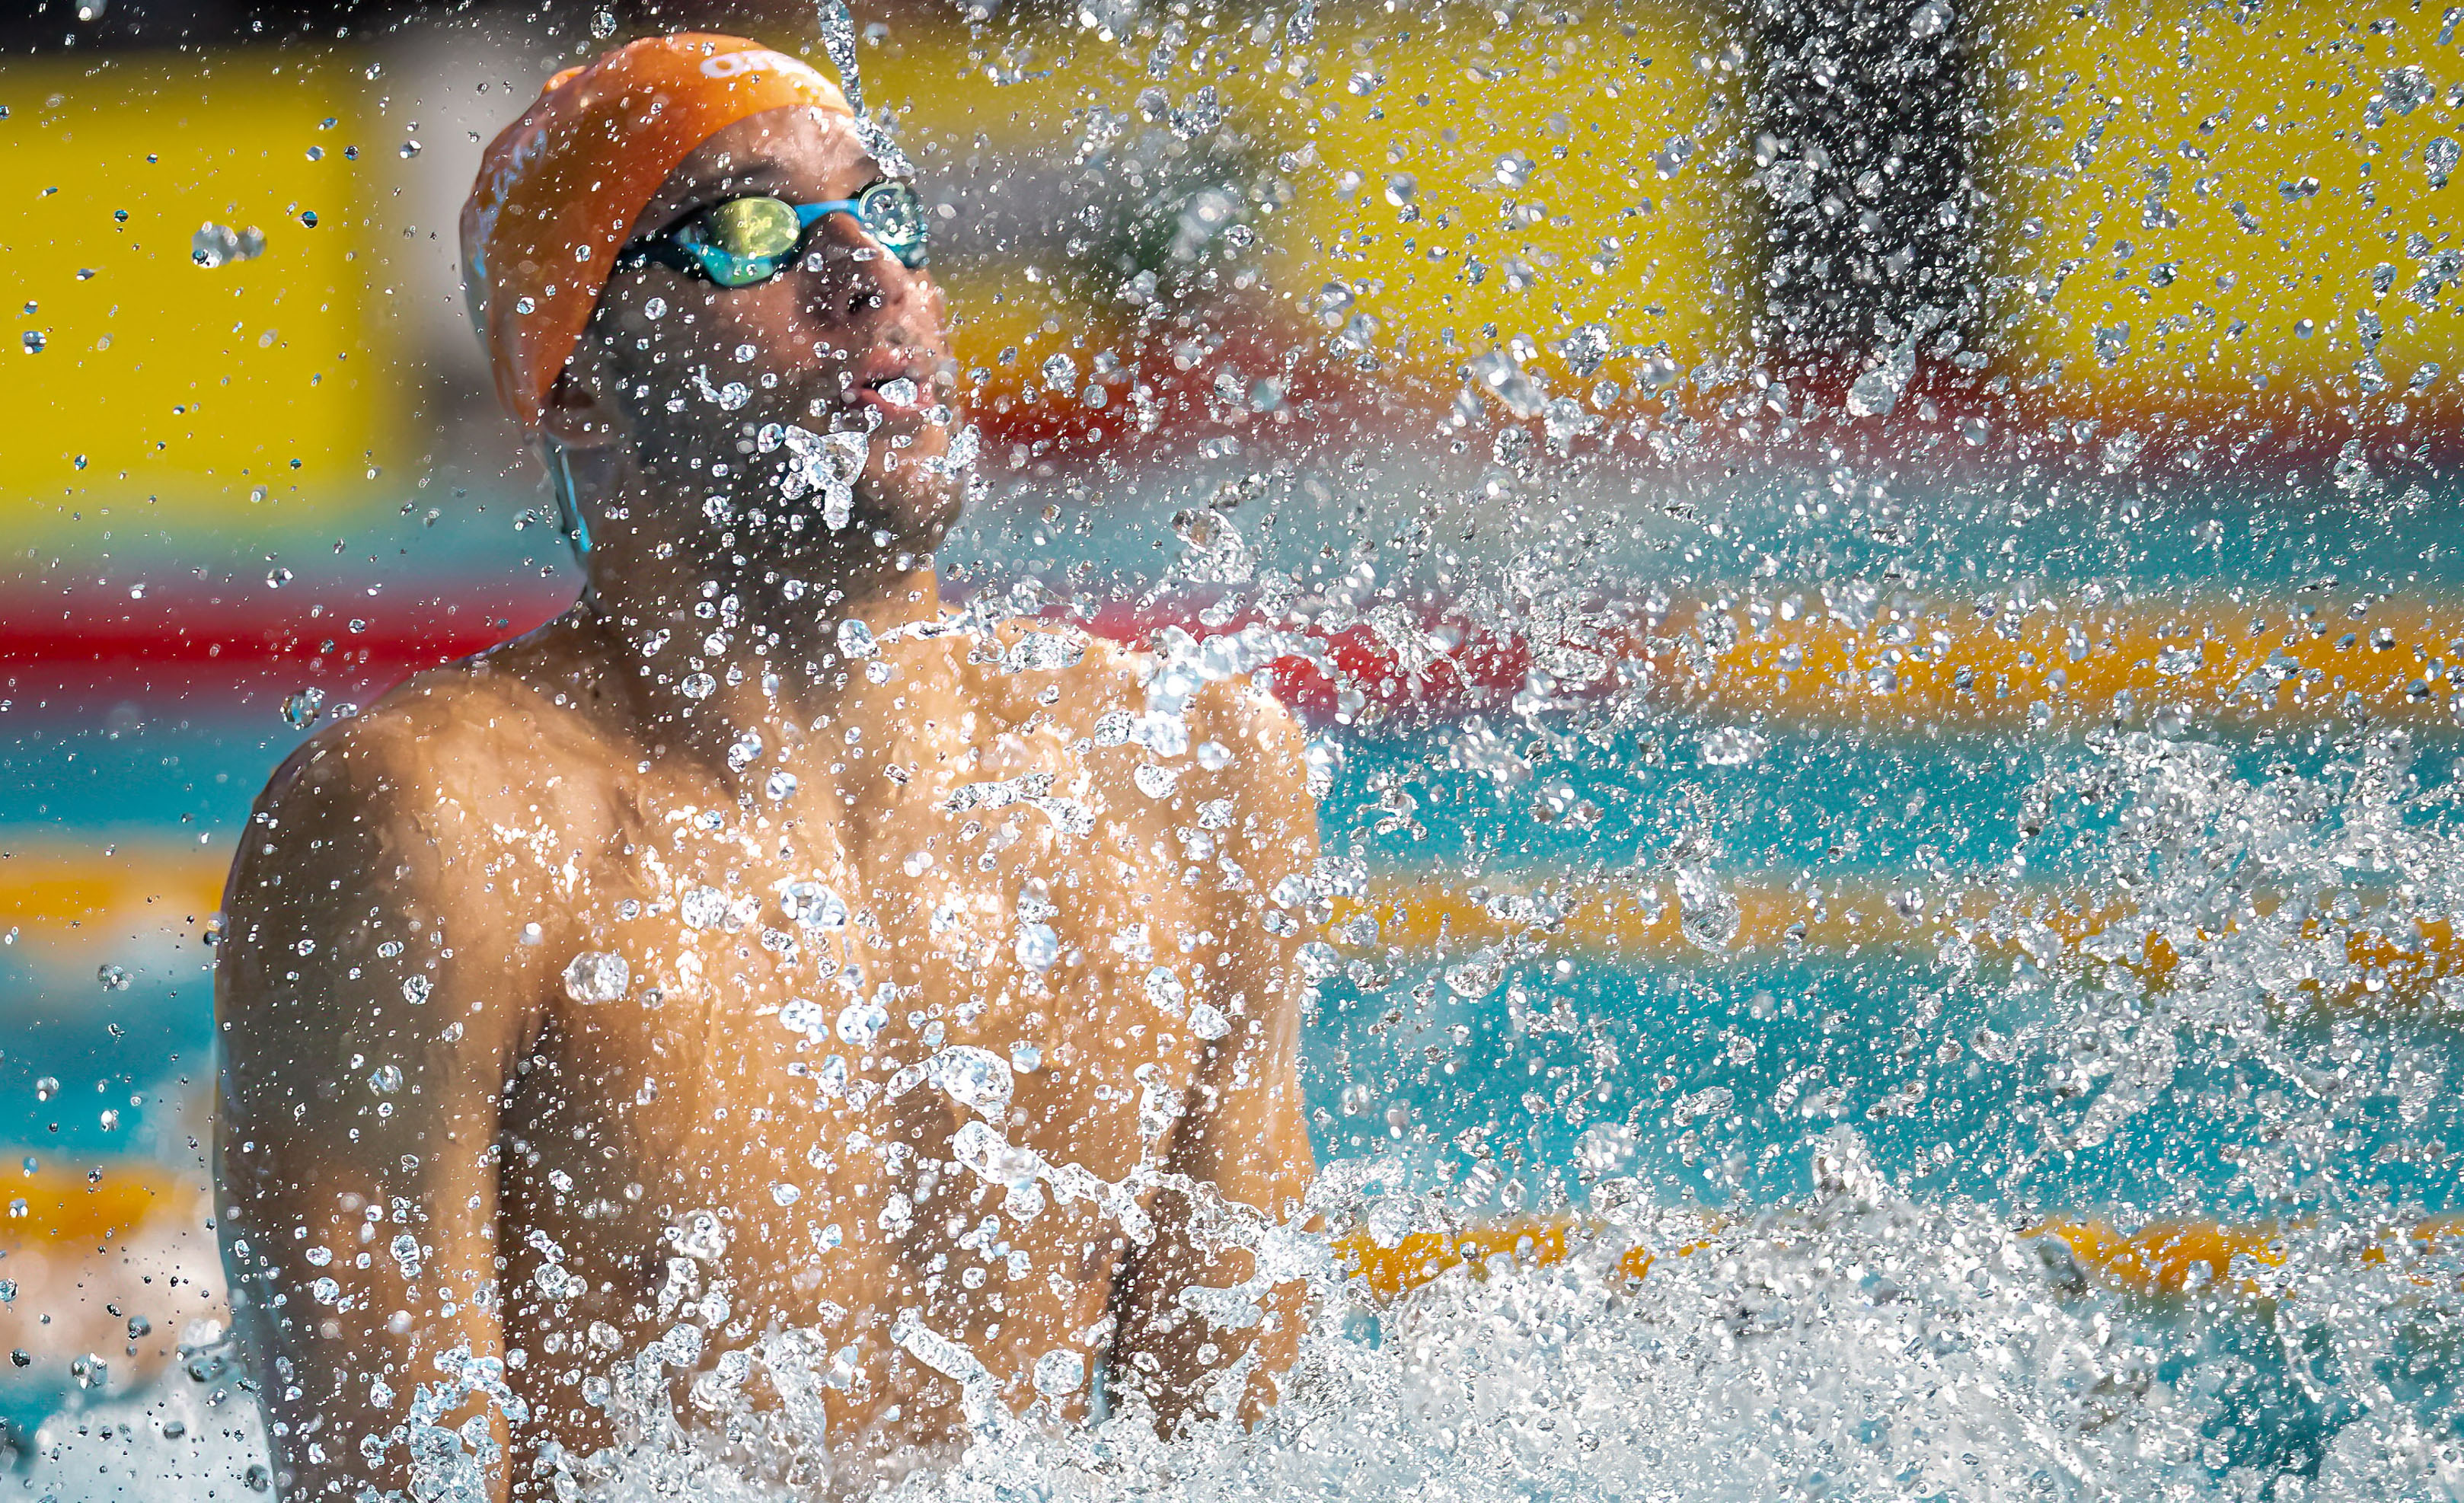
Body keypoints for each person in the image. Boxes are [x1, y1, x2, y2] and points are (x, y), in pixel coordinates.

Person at [213, 34, 1319, 1500]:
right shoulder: (432, 829)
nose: (870, 276)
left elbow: (1231, 1458)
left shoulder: (1186, 776)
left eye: (888, 212)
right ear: (579, 388)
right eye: (745, 234)